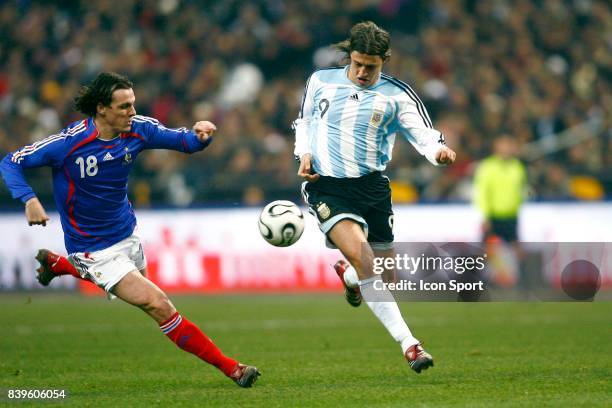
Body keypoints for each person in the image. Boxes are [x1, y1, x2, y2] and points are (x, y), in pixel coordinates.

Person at [0, 72, 260, 388]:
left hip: (128, 233)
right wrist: (29, 199)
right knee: (158, 304)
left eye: (133, 105)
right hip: (92, 248)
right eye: (123, 107)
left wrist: (201, 136)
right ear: (101, 109)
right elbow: (10, 162)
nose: (131, 113)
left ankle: (59, 266)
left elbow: (183, 141)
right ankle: (232, 368)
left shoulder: (138, 130)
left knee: (137, 290)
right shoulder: (68, 144)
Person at [293, 21, 456, 373]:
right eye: (358, 64)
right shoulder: (320, 80)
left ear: (384, 60)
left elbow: (422, 131)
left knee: (384, 275)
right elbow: (304, 122)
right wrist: (302, 155)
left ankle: (350, 277)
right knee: (367, 260)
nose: (364, 72)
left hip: (372, 188)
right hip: (327, 185)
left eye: (372, 66)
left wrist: (438, 150)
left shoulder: (397, 94)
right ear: (349, 56)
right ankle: (410, 345)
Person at [474, 135, 527, 244]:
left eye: (508, 145)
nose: (506, 148)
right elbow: (482, 193)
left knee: (516, 249)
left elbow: (522, 189)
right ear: (496, 147)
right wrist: (485, 215)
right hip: (493, 216)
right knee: (486, 250)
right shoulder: (487, 166)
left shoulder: (517, 167)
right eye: (503, 145)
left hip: (512, 216)